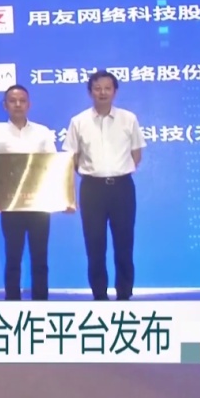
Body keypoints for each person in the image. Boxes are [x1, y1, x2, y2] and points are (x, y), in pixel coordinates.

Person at [63, 70, 146, 301]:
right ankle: (99, 295)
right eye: (97, 88)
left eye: (107, 88)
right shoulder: (78, 121)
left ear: (115, 91)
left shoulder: (128, 119)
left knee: (124, 244)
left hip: (122, 188)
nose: (102, 92)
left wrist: (118, 171)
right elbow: (71, 158)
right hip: (92, 189)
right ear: (90, 92)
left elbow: (136, 154)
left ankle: (124, 294)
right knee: (94, 245)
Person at [0, 84, 60, 301]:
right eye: (12, 101)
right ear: (5, 105)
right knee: (13, 257)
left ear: (29, 104)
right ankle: (12, 303)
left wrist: (60, 197)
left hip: (39, 204)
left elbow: (53, 165)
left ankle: (40, 304)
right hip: (10, 205)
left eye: (22, 101)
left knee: (40, 257)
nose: (18, 104)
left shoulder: (42, 133)